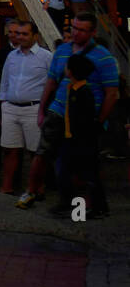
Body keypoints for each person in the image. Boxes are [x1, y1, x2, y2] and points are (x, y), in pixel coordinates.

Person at [18, 12, 119, 209]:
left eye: (82, 30)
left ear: (92, 32)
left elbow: (111, 93)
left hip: (85, 115)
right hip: (58, 110)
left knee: (84, 161)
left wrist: (100, 121)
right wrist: (42, 109)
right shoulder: (63, 50)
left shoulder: (104, 57)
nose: (76, 33)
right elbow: (51, 80)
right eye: (74, 28)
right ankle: (33, 190)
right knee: (43, 153)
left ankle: (84, 205)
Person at [50, 53, 109, 219]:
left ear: (72, 71)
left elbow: (83, 120)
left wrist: (77, 138)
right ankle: (76, 205)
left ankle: (92, 207)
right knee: (70, 172)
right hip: (72, 138)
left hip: (80, 140)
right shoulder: (74, 88)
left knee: (86, 175)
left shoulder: (83, 92)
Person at [0, 20, 50, 195]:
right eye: (18, 34)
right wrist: (3, 102)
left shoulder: (46, 57)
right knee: (10, 149)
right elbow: (4, 80)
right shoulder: (12, 56)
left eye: (24, 34)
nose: (20, 37)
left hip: (33, 108)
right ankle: (7, 186)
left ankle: (36, 187)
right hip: (11, 107)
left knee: (35, 151)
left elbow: (53, 82)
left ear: (35, 36)